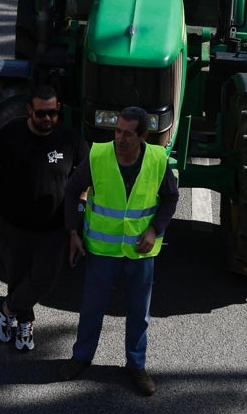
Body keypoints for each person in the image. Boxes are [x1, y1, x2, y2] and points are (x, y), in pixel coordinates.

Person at [60, 107, 180, 396]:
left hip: (140, 252)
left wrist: (154, 230)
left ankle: (136, 366)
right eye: (117, 131)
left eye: (128, 133)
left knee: (139, 312)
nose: (120, 138)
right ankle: (81, 357)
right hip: (102, 250)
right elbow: (72, 190)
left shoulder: (156, 159)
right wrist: (73, 232)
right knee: (92, 307)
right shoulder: (98, 155)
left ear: (143, 136)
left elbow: (170, 197)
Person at [0, 85, 87, 352]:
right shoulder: (9, 136)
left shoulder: (69, 139)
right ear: (30, 110)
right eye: (41, 113)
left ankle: (6, 308)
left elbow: (86, 176)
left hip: (54, 228)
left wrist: (80, 208)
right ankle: (25, 322)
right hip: (12, 226)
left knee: (43, 279)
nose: (47, 119)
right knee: (17, 277)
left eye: (52, 113)